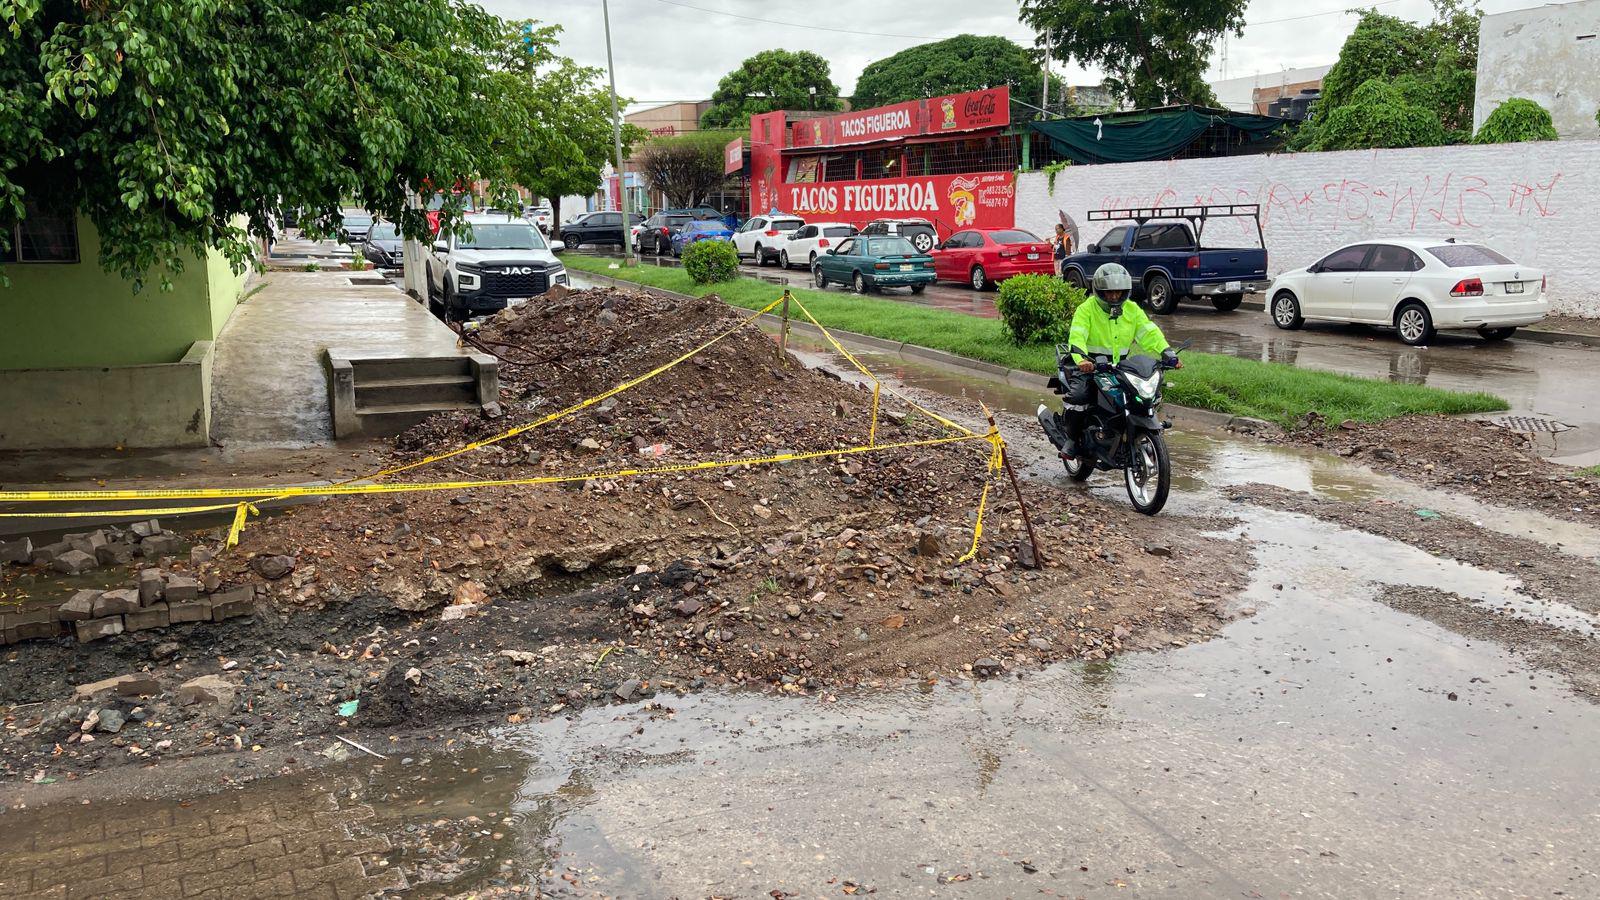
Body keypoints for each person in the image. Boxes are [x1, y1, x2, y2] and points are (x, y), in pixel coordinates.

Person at [1056, 262, 1179, 456]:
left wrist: (1167, 352)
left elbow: (1148, 333)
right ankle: (1072, 439)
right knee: (1079, 396)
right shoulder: (1086, 309)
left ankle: (1134, 433)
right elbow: (1077, 336)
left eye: (1118, 292)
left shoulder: (1132, 309)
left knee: (1143, 396)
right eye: (1109, 293)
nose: (1114, 296)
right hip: (1089, 364)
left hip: (1118, 366)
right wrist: (1081, 360)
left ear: (1126, 292)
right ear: (1099, 291)